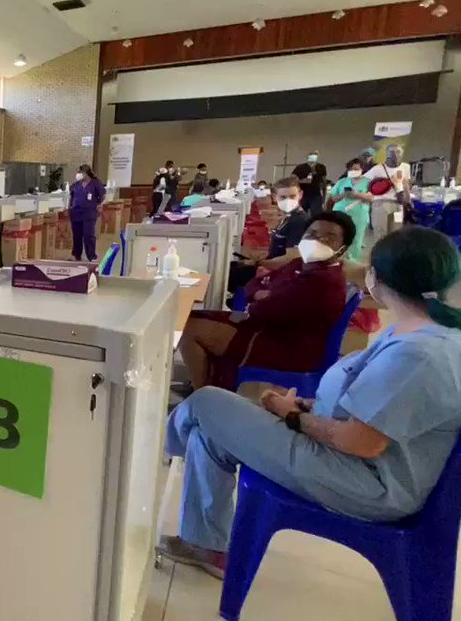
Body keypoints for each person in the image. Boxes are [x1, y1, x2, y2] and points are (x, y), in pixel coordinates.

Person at [159, 226, 461, 578]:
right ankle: (206, 545)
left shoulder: (417, 352)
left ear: (376, 278)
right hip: (349, 457)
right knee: (208, 433)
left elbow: (361, 441)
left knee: (207, 403)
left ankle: (157, 449)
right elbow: (370, 410)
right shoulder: (417, 331)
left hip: (365, 482)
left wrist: (294, 418)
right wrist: (305, 406)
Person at [178, 211, 353, 391]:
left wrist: (264, 296)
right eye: (312, 234)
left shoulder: (323, 282)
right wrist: (261, 294)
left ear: (343, 249)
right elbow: (254, 284)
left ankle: (202, 397)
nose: (317, 240)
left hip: (288, 348)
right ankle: (207, 384)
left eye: (329, 238)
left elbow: (263, 310)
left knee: (189, 330)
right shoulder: (302, 264)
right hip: (270, 330)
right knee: (192, 317)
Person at [227, 176, 311, 294]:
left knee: (228, 273)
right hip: (271, 264)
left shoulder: (299, 221)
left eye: (292, 196)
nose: (288, 201)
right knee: (231, 266)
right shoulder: (288, 217)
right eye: (283, 197)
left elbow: (292, 259)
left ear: (300, 195)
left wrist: (261, 263)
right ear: (274, 197)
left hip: (279, 273)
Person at [325, 158, 373, 262]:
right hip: (340, 212)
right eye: (351, 169)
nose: (353, 171)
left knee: (356, 239)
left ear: (362, 169)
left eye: (356, 169)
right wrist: (343, 195)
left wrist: (357, 195)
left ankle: (353, 262)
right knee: (337, 236)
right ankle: (334, 260)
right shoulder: (342, 182)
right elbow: (333, 198)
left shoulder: (368, 182)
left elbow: (371, 197)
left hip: (359, 214)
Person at [366, 144, 410, 242]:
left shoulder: (405, 167)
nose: (395, 155)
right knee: (380, 233)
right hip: (381, 203)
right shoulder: (377, 169)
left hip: (398, 204)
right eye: (392, 152)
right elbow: (365, 182)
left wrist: (408, 199)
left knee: (396, 233)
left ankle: (393, 255)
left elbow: (405, 183)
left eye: (398, 152)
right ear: (387, 154)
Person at [69, 164, 105, 262]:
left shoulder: (95, 183)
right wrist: (71, 207)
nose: (78, 174)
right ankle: (76, 255)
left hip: (89, 213)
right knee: (77, 235)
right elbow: (71, 195)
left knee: (88, 235)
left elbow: (102, 195)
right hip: (76, 213)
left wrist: (98, 203)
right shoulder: (76, 185)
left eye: (80, 172)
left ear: (86, 173)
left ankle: (91, 256)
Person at [292, 151, 327, 215]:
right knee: (300, 214)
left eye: (315, 156)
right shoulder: (300, 167)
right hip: (302, 195)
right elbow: (292, 179)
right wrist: (302, 181)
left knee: (317, 215)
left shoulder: (321, 167)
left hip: (316, 194)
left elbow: (324, 182)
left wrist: (324, 197)